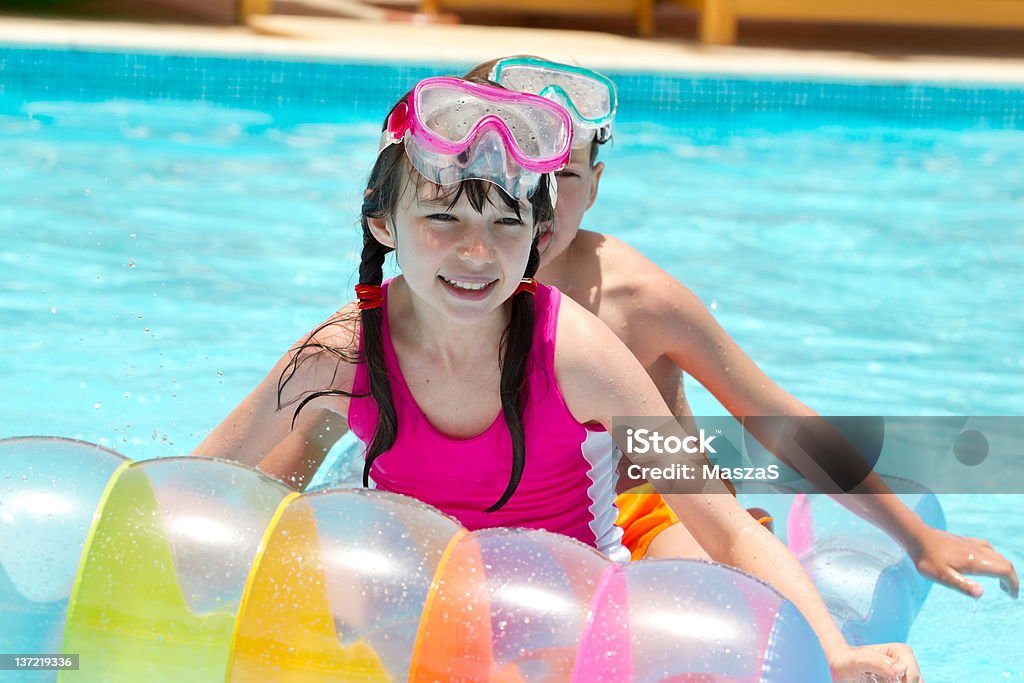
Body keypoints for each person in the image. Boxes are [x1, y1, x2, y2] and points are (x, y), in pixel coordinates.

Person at [194, 76, 921, 682]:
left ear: (538, 236)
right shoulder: (341, 352)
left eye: (506, 224)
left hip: (572, 630)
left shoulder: (577, 353)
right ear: (384, 222)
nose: (477, 252)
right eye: (443, 216)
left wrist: (835, 651)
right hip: (411, 615)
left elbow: (722, 525)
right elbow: (199, 484)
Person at [467, 55, 1019, 600]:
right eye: (516, 167)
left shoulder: (635, 299)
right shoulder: (441, 289)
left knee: (705, 600)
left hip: (657, 514)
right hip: (498, 517)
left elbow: (774, 419)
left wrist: (917, 536)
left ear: (595, 186)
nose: (540, 196)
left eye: (565, 174)